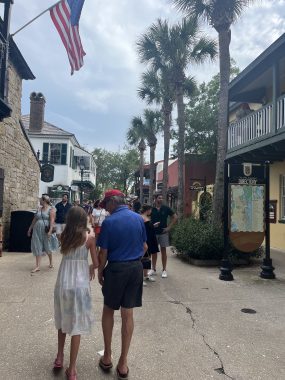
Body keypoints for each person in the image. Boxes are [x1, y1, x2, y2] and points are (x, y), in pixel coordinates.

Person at [97, 189, 147, 380]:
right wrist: (133, 261)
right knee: (128, 313)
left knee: (108, 309)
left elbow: (104, 253)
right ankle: (123, 363)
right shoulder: (138, 219)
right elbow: (144, 247)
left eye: (106, 206)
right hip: (135, 268)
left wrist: (101, 271)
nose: (106, 210)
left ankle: (107, 357)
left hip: (116, 269)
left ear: (111, 203)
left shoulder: (109, 222)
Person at [53, 206, 98, 380]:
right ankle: (72, 370)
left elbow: (55, 228)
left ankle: (59, 357)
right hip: (80, 285)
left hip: (63, 282)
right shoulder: (89, 238)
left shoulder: (63, 235)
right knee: (77, 325)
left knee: (63, 320)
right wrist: (88, 266)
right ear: (83, 219)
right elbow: (95, 263)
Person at [27, 194, 58, 273]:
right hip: (37, 230)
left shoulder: (51, 209)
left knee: (48, 246)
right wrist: (30, 228)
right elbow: (35, 219)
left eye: (40, 200)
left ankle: (51, 262)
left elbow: (52, 221)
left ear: (44, 200)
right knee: (37, 246)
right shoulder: (39, 209)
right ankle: (37, 266)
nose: (39, 201)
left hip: (45, 230)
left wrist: (50, 231)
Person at [150, 193, 178, 278]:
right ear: (155, 199)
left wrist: (169, 227)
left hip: (163, 233)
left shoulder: (166, 208)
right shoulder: (151, 209)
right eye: (159, 198)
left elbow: (175, 217)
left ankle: (164, 270)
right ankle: (153, 269)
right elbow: (145, 218)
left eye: (162, 198)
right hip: (153, 233)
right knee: (153, 252)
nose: (161, 199)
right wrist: (151, 226)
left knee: (163, 251)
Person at [140, 205, 159, 286]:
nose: (151, 212)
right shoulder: (141, 217)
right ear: (147, 210)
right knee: (143, 258)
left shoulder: (145, 217)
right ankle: (140, 278)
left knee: (147, 258)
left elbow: (148, 228)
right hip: (146, 240)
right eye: (150, 210)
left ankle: (146, 275)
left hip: (150, 239)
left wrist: (154, 225)